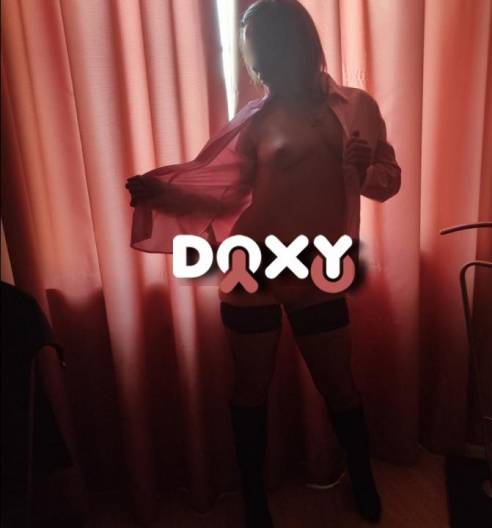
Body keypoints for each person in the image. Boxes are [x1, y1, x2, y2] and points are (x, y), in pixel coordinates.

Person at [126, 1, 401, 526]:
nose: (257, 65)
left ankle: (363, 479)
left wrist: (365, 171)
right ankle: (255, 499)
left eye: (263, 49)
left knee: (338, 384)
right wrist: (164, 193)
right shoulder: (254, 119)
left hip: (318, 268)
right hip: (249, 265)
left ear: (295, 43)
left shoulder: (357, 106)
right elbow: (223, 193)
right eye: (252, 53)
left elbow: (388, 184)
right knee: (250, 389)